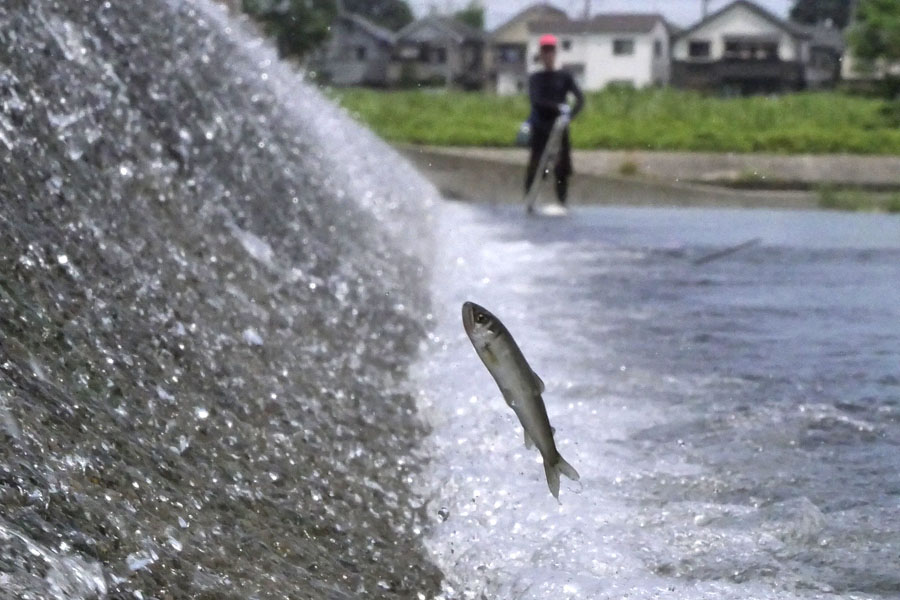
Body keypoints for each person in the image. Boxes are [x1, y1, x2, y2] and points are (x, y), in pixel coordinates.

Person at [525, 34, 584, 208]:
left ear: (555, 53)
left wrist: (570, 115)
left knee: (562, 168)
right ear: (541, 54)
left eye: (551, 50)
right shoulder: (535, 78)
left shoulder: (564, 76)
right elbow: (536, 101)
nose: (548, 54)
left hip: (560, 128)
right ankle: (529, 203)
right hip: (541, 127)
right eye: (545, 51)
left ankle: (562, 203)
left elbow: (580, 99)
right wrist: (558, 108)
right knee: (536, 165)